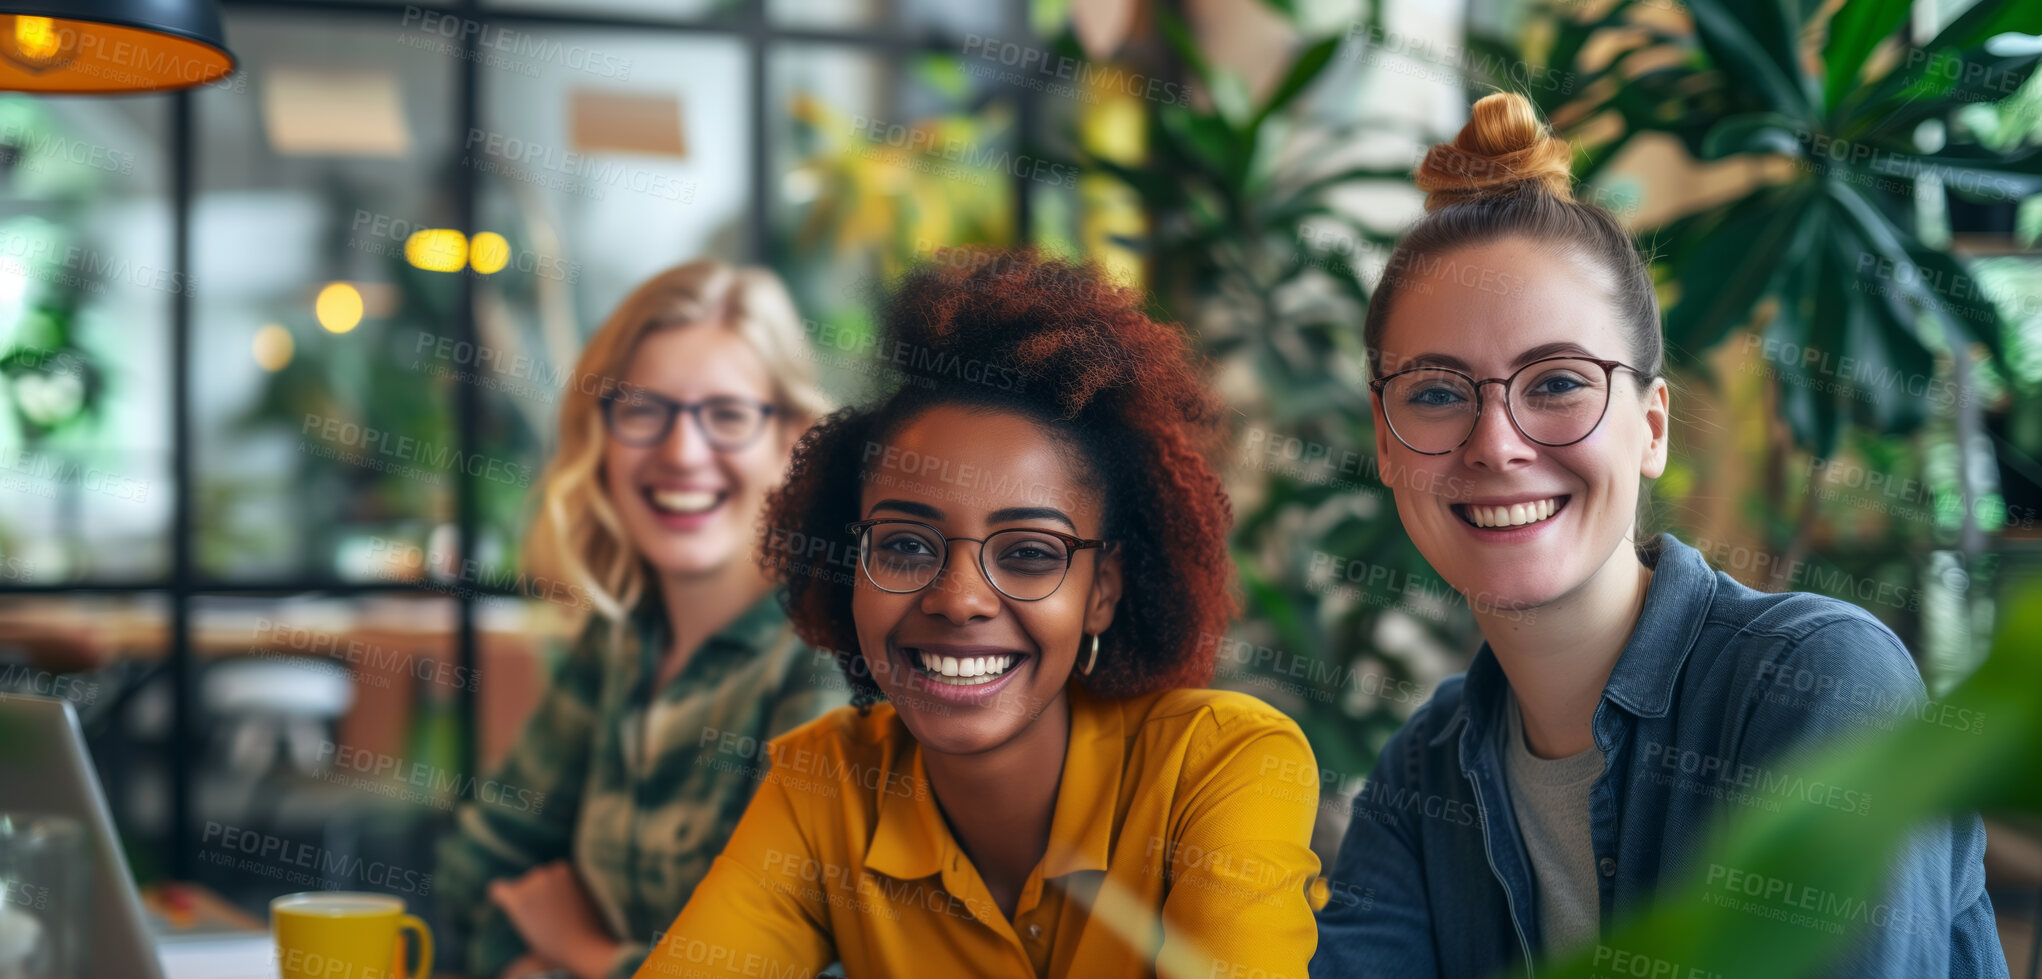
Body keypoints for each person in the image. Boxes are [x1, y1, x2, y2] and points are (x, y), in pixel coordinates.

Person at [1310, 93, 2004, 977]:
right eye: (1439, 393)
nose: (1495, 445)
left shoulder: (1821, 684)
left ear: (1652, 425)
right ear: (1383, 439)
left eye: (1557, 382)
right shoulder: (1427, 767)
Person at [634, 250, 1323, 978]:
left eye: (1028, 552)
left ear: (1102, 590)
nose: (959, 598)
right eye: (903, 544)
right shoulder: (826, 781)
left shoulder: (1221, 763)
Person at [436, 260, 848, 979]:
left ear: (795, 443)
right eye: (643, 410)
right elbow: (479, 871)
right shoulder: (623, 638)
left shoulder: (829, 663)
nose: (682, 452)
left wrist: (585, 954)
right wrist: (525, 962)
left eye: (727, 415)